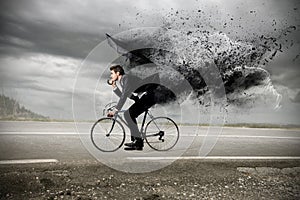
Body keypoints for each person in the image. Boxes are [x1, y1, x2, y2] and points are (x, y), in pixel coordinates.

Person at [107, 65, 158, 150]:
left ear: (118, 73)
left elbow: (124, 95)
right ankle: (135, 141)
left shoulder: (125, 78)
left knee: (128, 114)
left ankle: (138, 142)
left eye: (112, 73)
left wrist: (116, 110)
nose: (111, 76)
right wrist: (114, 87)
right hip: (146, 96)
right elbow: (125, 95)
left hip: (150, 95)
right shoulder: (123, 80)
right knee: (128, 114)